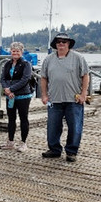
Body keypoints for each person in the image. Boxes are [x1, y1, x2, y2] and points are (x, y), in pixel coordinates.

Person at [40, 33, 89, 162]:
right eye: (58, 42)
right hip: (54, 99)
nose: (61, 44)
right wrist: (44, 95)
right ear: (55, 44)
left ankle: (71, 152)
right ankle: (54, 149)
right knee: (53, 126)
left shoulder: (79, 58)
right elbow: (44, 78)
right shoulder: (48, 59)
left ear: (69, 44)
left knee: (75, 126)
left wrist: (84, 94)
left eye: (64, 42)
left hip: (74, 99)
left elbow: (85, 75)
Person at [0, 42, 34, 152]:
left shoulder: (26, 64)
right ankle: (10, 141)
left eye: (17, 51)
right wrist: (6, 89)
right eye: (13, 51)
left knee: (23, 118)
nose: (15, 53)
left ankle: (23, 143)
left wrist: (11, 89)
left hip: (23, 95)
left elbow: (25, 79)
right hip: (10, 96)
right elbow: (2, 78)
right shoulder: (7, 64)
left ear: (21, 52)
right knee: (11, 119)